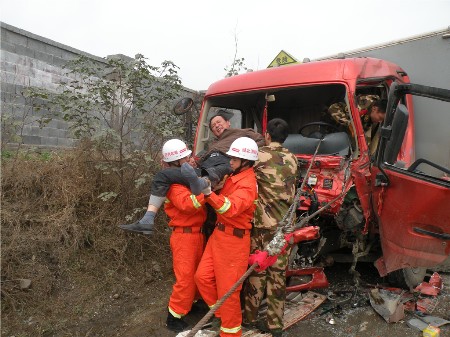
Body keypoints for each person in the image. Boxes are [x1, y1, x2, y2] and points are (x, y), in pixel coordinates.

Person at [119, 110, 264, 235]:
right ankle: (200, 182)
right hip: (204, 169)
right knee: (165, 176)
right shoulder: (212, 146)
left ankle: (202, 183)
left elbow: (260, 141)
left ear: (228, 123)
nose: (216, 126)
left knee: (206, 174)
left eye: (219, 122)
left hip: (222, 166)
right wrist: (196, 161)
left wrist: (243, 155)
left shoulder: (241, 135)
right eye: (213, 126)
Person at [193, 136, 259, 337]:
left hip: (234, 242)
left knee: (228, 293)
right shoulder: (234, 176)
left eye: (234, 159)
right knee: (202, 278)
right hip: (219, 235)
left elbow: (229, 208)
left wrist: (208, 193)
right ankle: (222, 316)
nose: (230, 161)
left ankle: (230, 332)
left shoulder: (247, 184)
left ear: (246, 162)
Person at [242, 119, 298, 337]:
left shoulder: (259, 156)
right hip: (284, 229)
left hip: (263, 226)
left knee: (258, 269)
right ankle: (275, 326)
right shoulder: (293, 158)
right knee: (278, 276)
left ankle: (249, 318)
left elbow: (241, 174)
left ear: (267, 135)